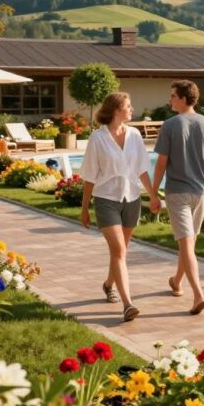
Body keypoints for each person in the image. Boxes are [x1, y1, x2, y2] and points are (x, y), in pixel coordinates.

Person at [79, 92, 159, 323]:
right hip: (106, 199)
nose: (132, 109)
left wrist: (153, 196)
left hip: (132, 198)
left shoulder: (134, 135)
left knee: (120, 251)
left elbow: (142, 169)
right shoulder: (97, 138)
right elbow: (89, 176)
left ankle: (108, 284)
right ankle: (128, 304)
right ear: (116, 110)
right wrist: (85, 208)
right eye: (128, 106)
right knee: (119, 251)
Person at [150, 80, 204, 315]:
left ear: (183, 98)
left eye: (173, 96)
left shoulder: (170, 125)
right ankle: (176, 282)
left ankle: (199, 295)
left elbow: (161, 163)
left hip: (178, 193)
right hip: (202, 192)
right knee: (188, 243)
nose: (170, 99)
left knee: (187, 245)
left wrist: (153, 192)